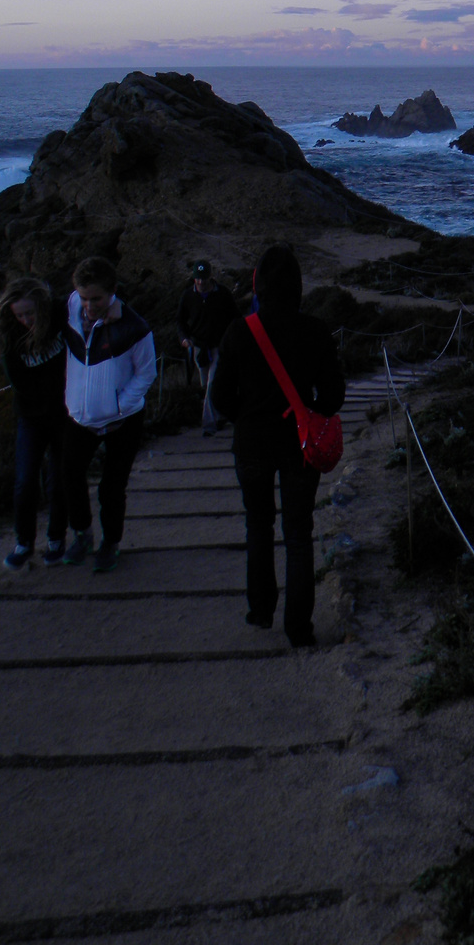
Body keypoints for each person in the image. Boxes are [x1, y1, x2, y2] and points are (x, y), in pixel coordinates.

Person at [210, 244, 345, 647]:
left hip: (251, 443)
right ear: (299, 287)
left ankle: (260, 609)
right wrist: (308, 412)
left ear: (258, 286)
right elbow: (334, 395)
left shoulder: (240, 330)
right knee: (299, 533)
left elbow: (220, 397)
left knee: (258, 524)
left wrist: (246, 418)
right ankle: (299, 629)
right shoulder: (316, 330)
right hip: (299, 446)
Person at [61, 255, 156, 573]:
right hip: (80, 417)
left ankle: (110, 543)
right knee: (69, 476)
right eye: (85, 298)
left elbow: (146, 373)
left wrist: (120, 406)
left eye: (97, 299)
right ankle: (83, 534)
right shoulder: (71, 309)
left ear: (112, 291)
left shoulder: (136, 327)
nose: (89, 306)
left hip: (122, 420)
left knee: (111, 488)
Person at [0, 277, 70, 568]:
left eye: (30, 313)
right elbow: (21, 383)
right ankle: (23, 542)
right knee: (25, 481)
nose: (26, 320)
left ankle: (56, 538)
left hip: (65, 415)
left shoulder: (60, 315)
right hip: (31, 418)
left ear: (42, 306)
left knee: (58, 480)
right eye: (20, 315)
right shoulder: (11, 339)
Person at [176, 260, 239, 436]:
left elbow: (235, 317)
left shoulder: (223, 294)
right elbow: (180, 320)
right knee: (206, 384)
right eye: (198, 279)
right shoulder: (188, 296)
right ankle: (220, 416)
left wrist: (232, 339)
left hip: (219, 346)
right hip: (198, 347)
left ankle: (208, 425)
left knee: (212, 384)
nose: (201, 282)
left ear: (211, 276)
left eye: (204, 278)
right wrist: (184, 338)